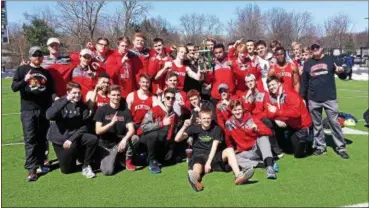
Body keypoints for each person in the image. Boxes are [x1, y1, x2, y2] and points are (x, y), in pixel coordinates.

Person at [175, 108, 255, 192]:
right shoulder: (194, 128)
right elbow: (177, 139)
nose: (206, 120)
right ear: (200, 119)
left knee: (230, 150)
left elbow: (214, 147)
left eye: (208, 118)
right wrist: (184, 126)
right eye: (204, 118)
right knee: (196, 169)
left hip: (213, 156)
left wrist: (209, 162)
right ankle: (195, 181)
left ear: (211, 118)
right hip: (198, 156)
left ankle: (238, 175)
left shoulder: (217, 129)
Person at [11, 46, 55, 182]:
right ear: (30, 56)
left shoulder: (46, 73)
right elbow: (14, 88)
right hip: (28, 110)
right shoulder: (22, 70)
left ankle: (42, 163)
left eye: (40, 55)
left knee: (43, 138)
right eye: (35, 55)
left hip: (43, 110)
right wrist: (25, 79)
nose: (38, 57)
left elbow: (50, 91)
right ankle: (31, 169)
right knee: (30, 139)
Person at [300, 42, 349, 159]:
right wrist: (303, 97)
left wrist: (342, 71)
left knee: (334, 123)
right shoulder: (308, 63)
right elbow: (304, 83)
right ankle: (320, 146)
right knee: (317, 125)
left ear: (322, 48)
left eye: (317, 47)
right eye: (313, 48)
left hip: (330, 98)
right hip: (313, 99)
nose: (315, 49)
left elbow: (343, 73)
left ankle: (341, 147)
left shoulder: (330, 59)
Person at [46, 82, 98, 178]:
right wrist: (66, 100)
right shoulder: (60, 102)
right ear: (68, 92)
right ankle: (68, 159)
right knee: (67, 170)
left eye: (79, 93)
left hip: (72, 138)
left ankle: (86, 165)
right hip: (59, 139)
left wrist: (71, 139)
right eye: (74, 93)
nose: (77, 95)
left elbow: (84, 127)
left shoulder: (82, 107)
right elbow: (49, 116)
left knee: (92, 139)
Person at [224, 99, 278, 179]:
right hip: (245, 152)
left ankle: (269, 168)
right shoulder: (229, 124)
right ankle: (263, 163)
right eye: (235, 110)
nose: (238, 112)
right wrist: (231, 150)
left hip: (257, 149)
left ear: (243, 109)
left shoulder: (251, 118)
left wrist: (257, 130)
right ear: (231, 111)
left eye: (239, 109)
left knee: (263, 138)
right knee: (233, 159)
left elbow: (269, 132)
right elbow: (228, 140)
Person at [94, 85, 138, 175]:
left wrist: (124, 140)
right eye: (113, 95)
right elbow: (97, 131)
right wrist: (110, 124)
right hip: (106, 146)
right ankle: (116, 158)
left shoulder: (125, 111)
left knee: (135, 138)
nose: (116, 97)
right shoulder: (102, 110)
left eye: (118, 95)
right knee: (108, 171)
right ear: (109, 95)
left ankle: (126, 160)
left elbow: (131, 129)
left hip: (119, 143)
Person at [266, 76, 313, 158]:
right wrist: (276, 119)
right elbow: (267, 110)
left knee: (298, 154)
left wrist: (277, 112)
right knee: (268, 121)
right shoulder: (274, 95)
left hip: (302, 126)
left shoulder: (289, 94)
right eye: (269, 86)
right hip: (291, 125)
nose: (271, 87)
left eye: (273, 84)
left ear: (279, 83)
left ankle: (310, 139)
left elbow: (296, 113)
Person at [138, 88, 179, 174]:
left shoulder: (174, 114)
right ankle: (151, 161)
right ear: (163, 98)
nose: (170, 100)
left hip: (161, 140)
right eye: (168, 97)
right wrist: (161, 124)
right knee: (154, 134)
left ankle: (149, 157)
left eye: (173, 98)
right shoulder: (154, 109)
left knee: (171, 160)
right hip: (145, 138)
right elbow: (144, 127)